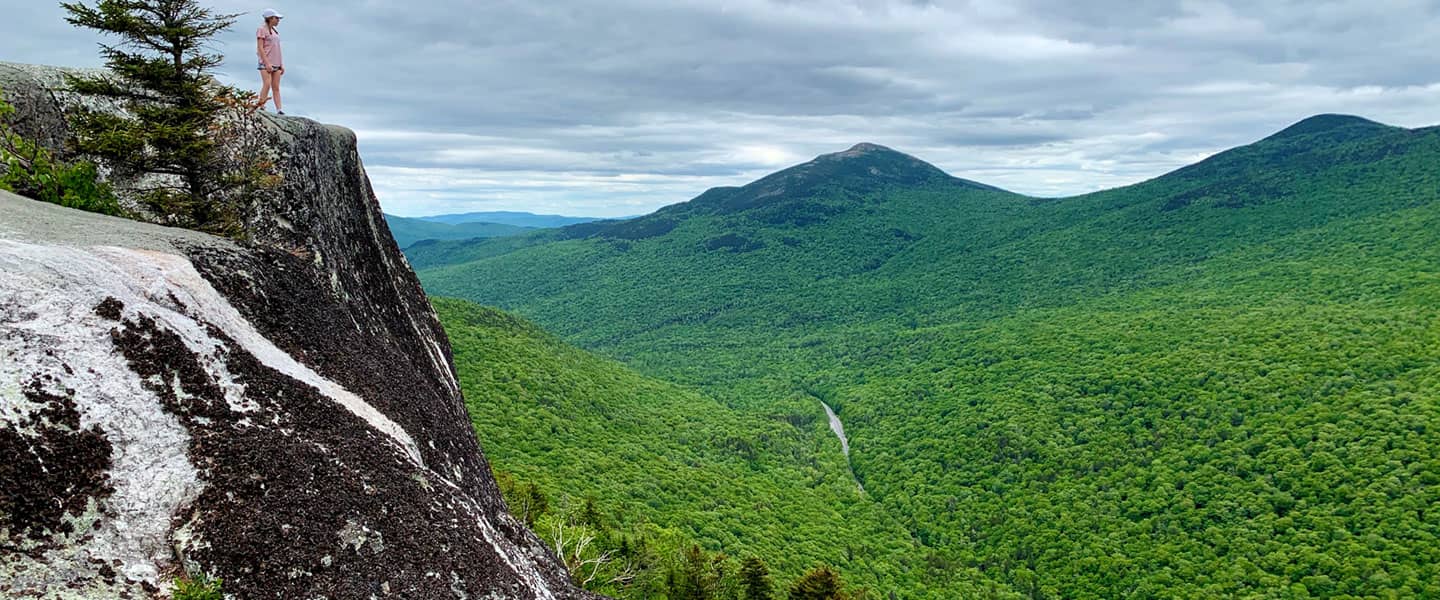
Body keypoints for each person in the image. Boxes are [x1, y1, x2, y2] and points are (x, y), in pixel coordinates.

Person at [254, 8, 285, 114]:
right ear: (270, 18)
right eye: (276, 18)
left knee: (276, 87)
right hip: (266, 62)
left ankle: (279, 109)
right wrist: (266, 63)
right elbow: (260, 47)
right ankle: (261, 105)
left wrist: (281, 64)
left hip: (276, 62)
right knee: (267, 84)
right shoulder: (261, 29)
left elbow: (278, 48)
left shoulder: (275, 31)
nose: (278, 20)